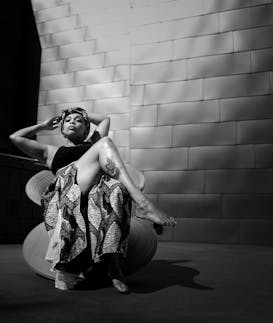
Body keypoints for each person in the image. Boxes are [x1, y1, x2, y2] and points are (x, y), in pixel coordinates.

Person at [9, 107, 176, 293]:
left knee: (116, 188)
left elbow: (105, 118)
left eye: (78, 120)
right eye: (68, 120)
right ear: (62, 129)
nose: (72, 122)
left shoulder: (93, 142)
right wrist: (44, 126)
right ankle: (143, 204)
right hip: (68, 187)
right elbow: (15, 138)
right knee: (105, 143)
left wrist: (80, 112)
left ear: (87, 128)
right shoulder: (50, 151)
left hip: (96, 189)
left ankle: (113, 264)